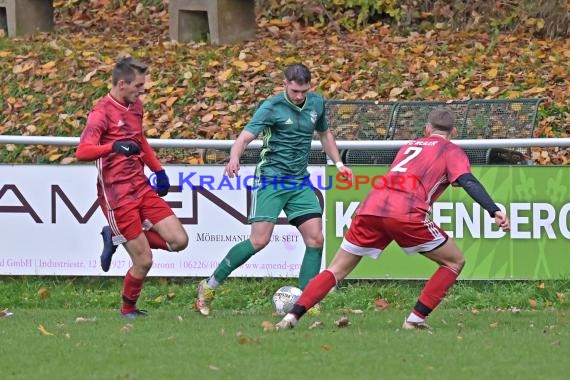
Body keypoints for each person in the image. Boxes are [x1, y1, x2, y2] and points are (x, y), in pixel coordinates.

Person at [275, 107, 511, 330]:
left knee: (336, 269)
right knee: (454, 262)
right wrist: (493, 209)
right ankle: (414, 320)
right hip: (406, 211)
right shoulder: (451, 150)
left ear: (427, 129)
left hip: (370, 207)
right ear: (454, 132)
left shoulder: (408, 147)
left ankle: (291, 317)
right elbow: (467, 180)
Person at [194, 63, 352, 316]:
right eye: (294, 91)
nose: (299, 96)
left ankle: (308, 303)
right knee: (259, 240)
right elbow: (244, 138)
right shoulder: (271, 107)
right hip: (271, 179)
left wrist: (339, 163)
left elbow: (325, 134)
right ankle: (209, 286)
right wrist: (234, 158)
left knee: (316, 239)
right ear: (285, 84)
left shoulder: (317, 103)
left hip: (299, 181)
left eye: (304, 91)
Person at [76, 57, 189, 318]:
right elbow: (82, 151)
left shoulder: (135, 106)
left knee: (179, 241)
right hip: (116, 195)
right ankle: (128, 310)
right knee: (144, 260)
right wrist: (112, 147)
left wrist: (157, 170)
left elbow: (139, 138)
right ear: (122, 84)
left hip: (140, 185)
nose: (142, 90)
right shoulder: (101, 113)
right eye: (139, 85)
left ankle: (114, 236)